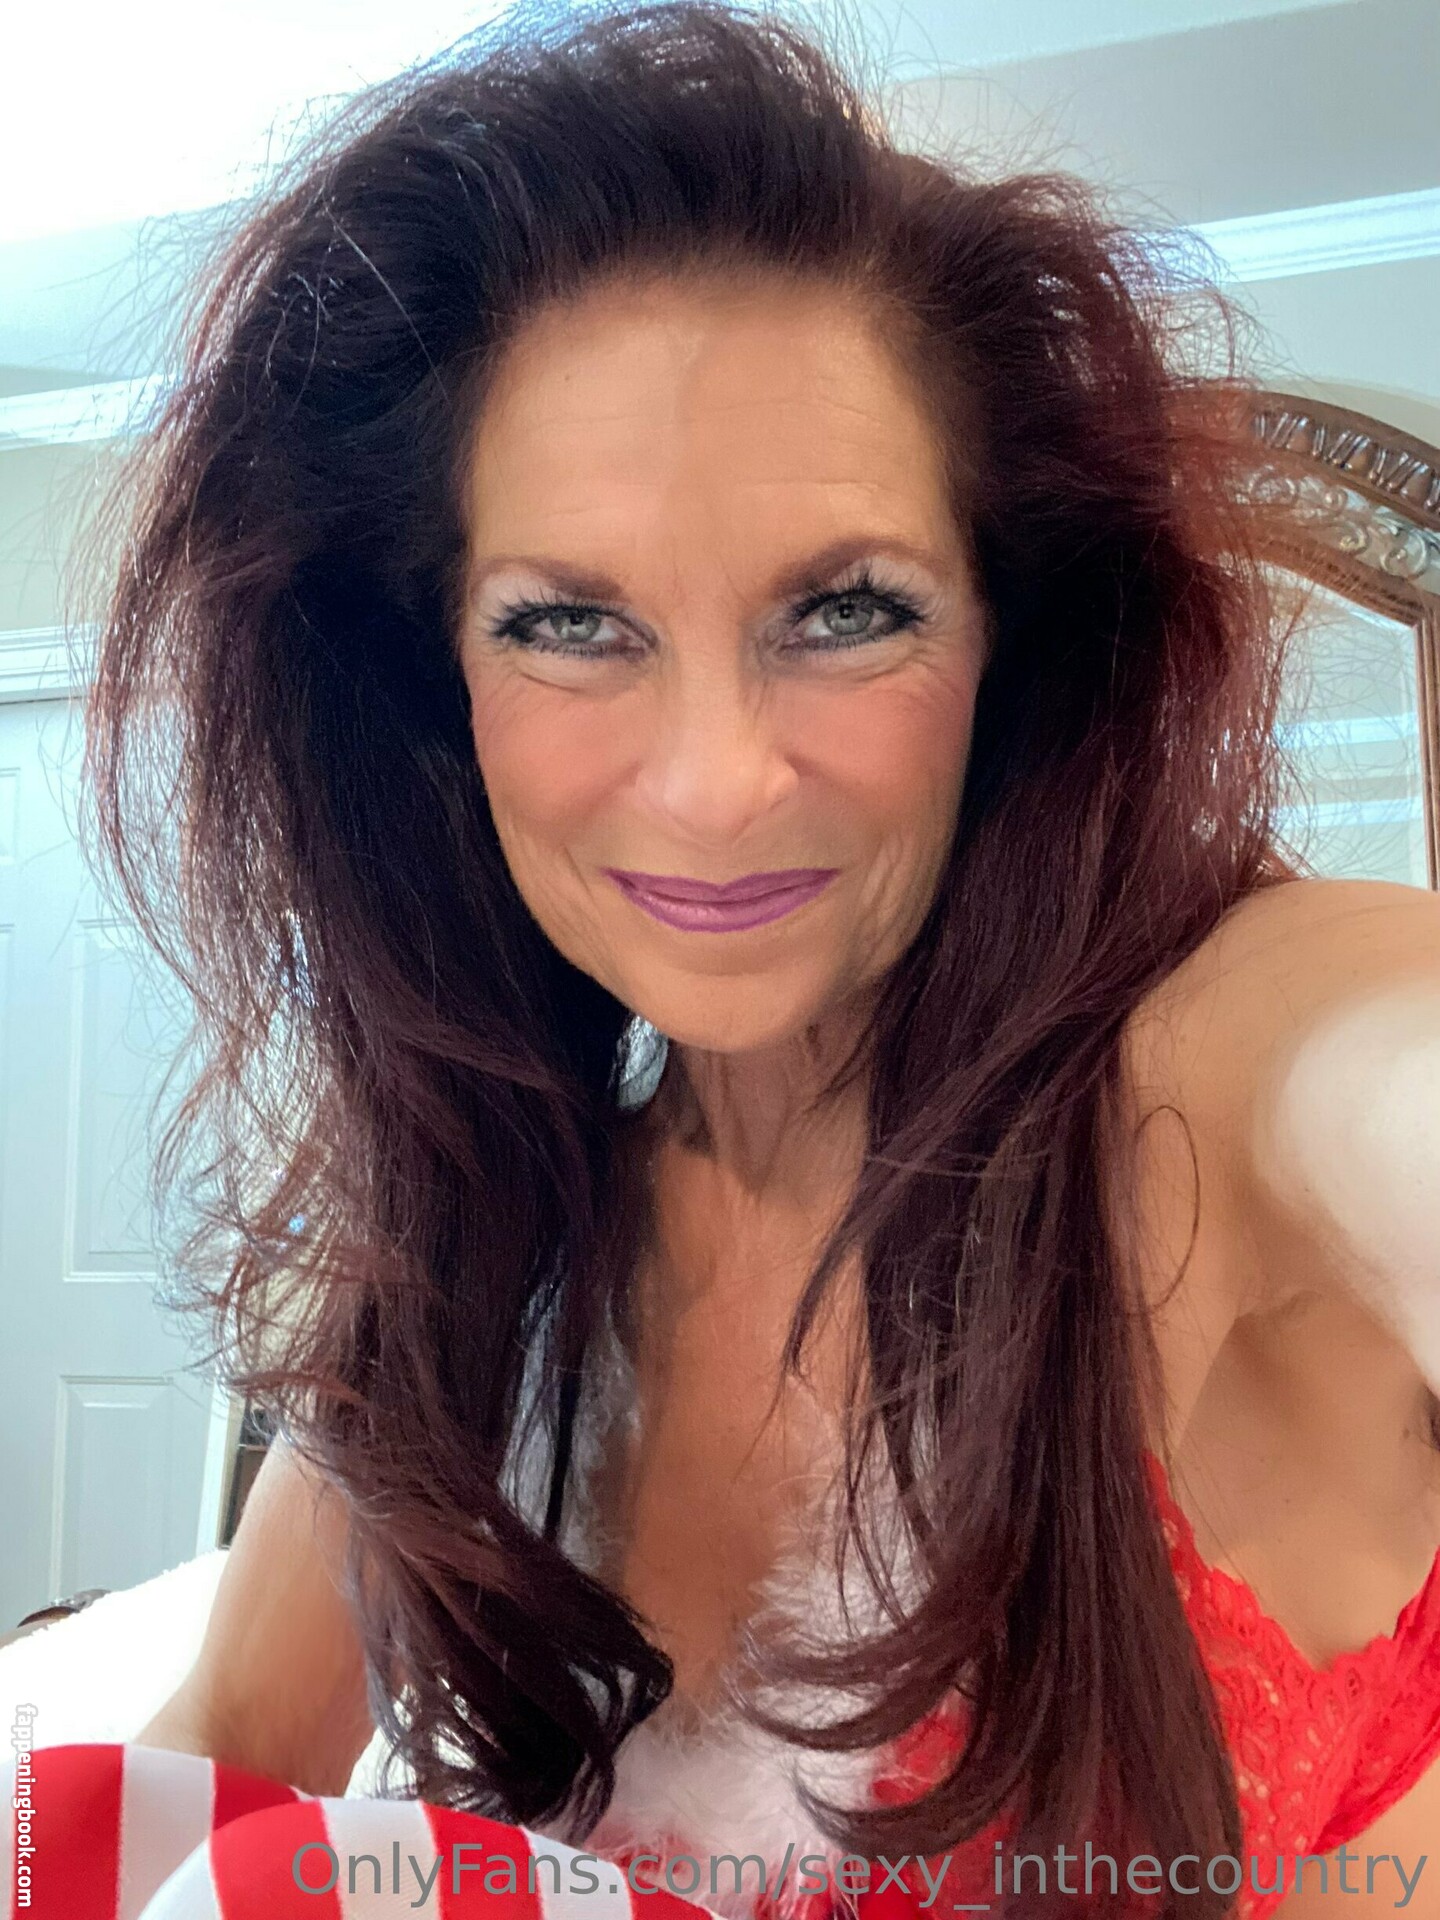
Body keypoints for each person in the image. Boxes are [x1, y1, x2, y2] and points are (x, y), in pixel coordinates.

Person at [7, 2, 1439, 1916]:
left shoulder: (1214, 1074)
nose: (710, 786)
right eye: (567, 624)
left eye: (845, 610)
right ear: (432, 686)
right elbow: (216, 1758)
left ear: (1008, 636)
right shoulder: (483, 1254)